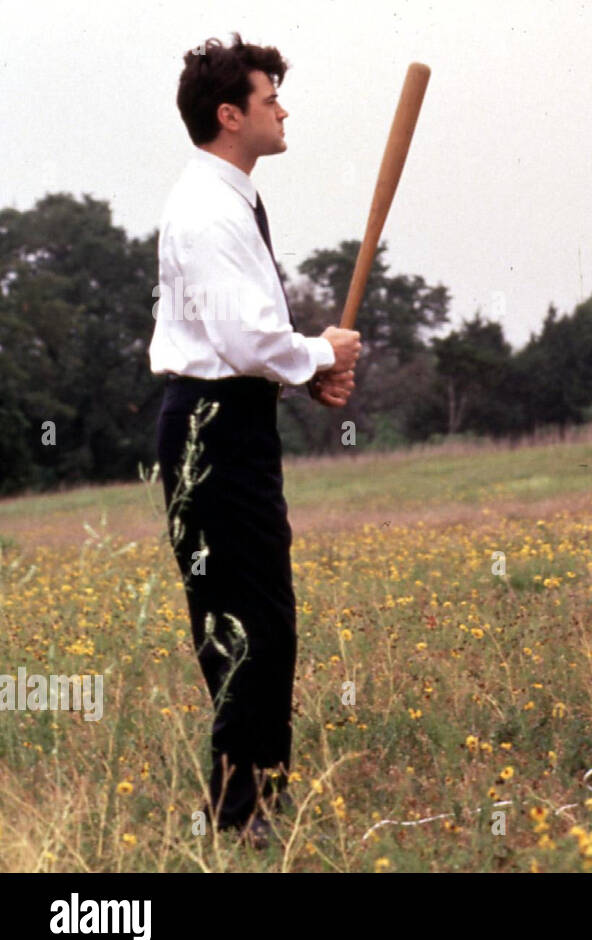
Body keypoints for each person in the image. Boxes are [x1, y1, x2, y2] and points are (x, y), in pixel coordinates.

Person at [149, 34, 361, 844]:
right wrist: (317, 355)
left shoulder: (226, 199)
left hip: (231, 417)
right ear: (229, 114)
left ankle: (253, 803)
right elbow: (244, 339)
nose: (282, 108)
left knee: (262, 617)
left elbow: (248, 338)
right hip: (211, 424)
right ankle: (239, 815)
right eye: (269, 97)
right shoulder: (206, 208)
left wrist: (307, 367)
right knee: (245, 623)